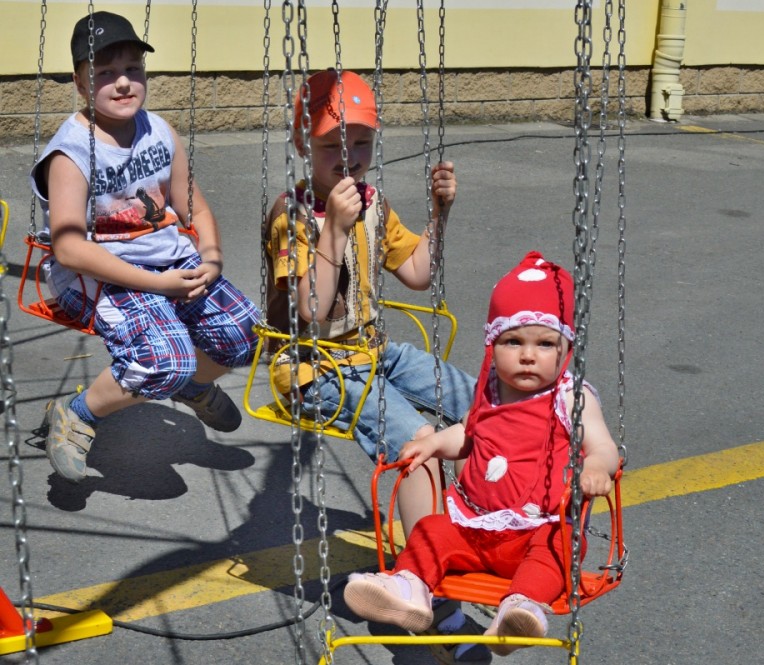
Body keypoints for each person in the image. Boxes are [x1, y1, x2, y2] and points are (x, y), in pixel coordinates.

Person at [263, 69, 481, 661]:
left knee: (481, 400)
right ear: (302, 144)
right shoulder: (293, 215)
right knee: (419, 445)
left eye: (362, 143)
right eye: (333, 146)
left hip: (374, 352)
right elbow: (310, 311)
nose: (350, 158)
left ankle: (502, 523)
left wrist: (439, 214)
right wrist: (334, 228)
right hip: (314, 367)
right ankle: (430, 598)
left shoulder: (375, 203)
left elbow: (418, 273)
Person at [343, 251, 621, 655]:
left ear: (566, 349)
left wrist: (595, 467)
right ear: (493, 343)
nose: (528, 355)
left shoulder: (571, 398)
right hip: (476, 528)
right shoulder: (491, 389)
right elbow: (469, 434)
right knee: (431, 531)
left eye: (545, 344)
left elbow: (604, 447)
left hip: (537, 528)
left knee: (557, 550)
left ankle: (521, 609)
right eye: (513, 342)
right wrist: (435, 443)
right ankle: (409, 590)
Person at [30, 11, 260, 483]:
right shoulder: (70, 154)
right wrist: (158, 285)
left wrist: (211, 257)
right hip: (97, 275)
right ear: (79, 82)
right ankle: (78, 414)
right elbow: (70, 250)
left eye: (132, 69)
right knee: (165, 359)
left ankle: (192, 386)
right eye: (105, 72)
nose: (122, 82)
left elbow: (195, 207)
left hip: (168, 262)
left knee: (246, 334)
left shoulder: (159, 131)